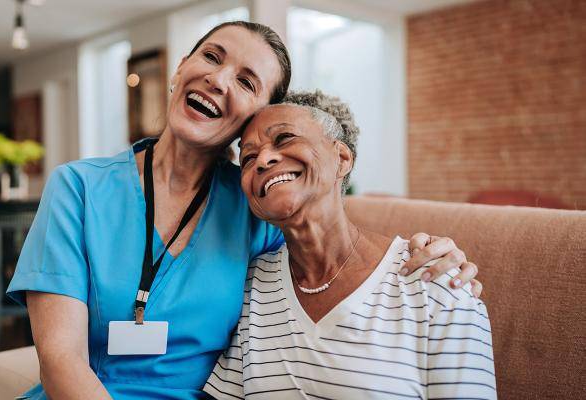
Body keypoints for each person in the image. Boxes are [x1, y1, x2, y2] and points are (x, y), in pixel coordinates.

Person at [7, 22, 481, 399]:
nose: (217, 78)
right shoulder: (79, 188)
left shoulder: (254, 206)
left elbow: (328, 240)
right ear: (180, 70)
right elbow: (61, 360)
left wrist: (424, 251)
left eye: (246, 81)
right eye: (211, 57)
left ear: (255, 119)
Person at [205, 91, 496, 399]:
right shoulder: (250, 287)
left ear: (341, 159)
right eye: (248, 157)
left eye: (285, 138)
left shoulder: (435, 282)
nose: (263, 160)